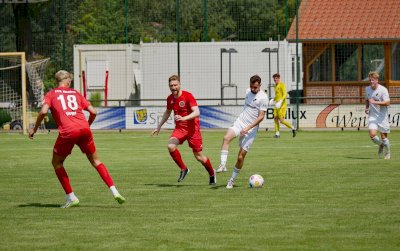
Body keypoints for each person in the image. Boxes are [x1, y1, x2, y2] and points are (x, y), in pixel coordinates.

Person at [29, 70, 126, 208]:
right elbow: (93, 111)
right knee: (96, 161)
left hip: (68, 131)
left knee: (57, 163)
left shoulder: (51, 94)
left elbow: (43, 111)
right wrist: (87, 126)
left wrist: (34, 129)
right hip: (84, 129)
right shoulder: (75, 93)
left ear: (57, 81)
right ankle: (114, 191)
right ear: (67, 81)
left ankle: (71, 197)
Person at [151, 75, 216, 185]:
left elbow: (197, 112)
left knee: (199, 157)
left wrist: (183, 118)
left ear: (179, 85)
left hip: (193, 130)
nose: (173, 87)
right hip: (180, 129)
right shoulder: (170, 99)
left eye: (175, 85)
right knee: (171, 146)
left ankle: (212, 174)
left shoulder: (188, 96)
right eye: (171, 85)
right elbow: (167, 112)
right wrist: (159, 126)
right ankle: (184, 168)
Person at [216, 75, 268, 189]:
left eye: (255, 87)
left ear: (260, 85)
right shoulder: (248, 91)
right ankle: (223, 165)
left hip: (251, 129)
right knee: (226, 138)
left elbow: (261, 117)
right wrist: (243, 126)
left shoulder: (263, 98)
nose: (253, 89)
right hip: (240, 122)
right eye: (251, 87)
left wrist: (248, 128)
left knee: (240, 157)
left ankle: (231, 180)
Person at [365, 71, 391, 160]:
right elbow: (367, 99)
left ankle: (387, 153)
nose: (371, 82)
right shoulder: (367, 89)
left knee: (384, 137)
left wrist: (375, 102)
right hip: (372, 116)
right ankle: (380, 145)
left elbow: (387, 103)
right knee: (372, 135)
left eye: (372, 80)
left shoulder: (383, 90)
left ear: (376, 80)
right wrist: (367, 107)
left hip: (382, 117)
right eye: (370, 80)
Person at [270, 73, 296, 138]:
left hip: (282, 105)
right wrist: (273, 99)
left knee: (281, 120)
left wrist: (281, 101)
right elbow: (277, 95)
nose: (275, 80)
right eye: (274, 79)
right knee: (275, 118)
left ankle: (292, 127)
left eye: (276, 78)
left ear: (279, 78)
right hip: (277, 105)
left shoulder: (282, 85)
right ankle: (277, 133)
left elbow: (285, 94)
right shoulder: (275, 86)